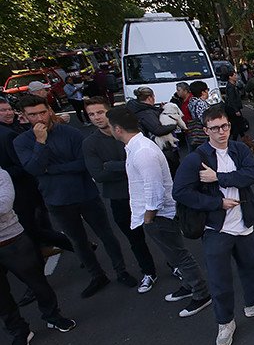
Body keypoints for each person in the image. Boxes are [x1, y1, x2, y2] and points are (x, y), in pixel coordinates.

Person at [173, 105, 254, 345]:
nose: (221, 132)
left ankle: (253, 304)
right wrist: (217, 203)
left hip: (244, 222)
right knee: (220, 278)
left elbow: (252, 174)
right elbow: (180, 192)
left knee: (251, 267)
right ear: (205, 130)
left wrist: (219, 178)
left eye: (225, 126)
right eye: (215, 128)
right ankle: (225, 322)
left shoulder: (239, 149)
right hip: (216, 229)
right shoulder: (196, 159)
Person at [13, 95, 136, 297]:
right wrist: (40, 143)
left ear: (50, 110)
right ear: (24, 117)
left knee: (107, 235)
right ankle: (96, 275)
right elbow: (34, 169)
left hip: (85, 194)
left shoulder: (70, 133)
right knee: (78, 241)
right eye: (33, 115)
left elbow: (83, 165)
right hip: (56, 200)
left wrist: (50, 169)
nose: (39, 118)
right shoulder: (22, 141)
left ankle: (121, 270)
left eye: (42, 112)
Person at [106, 107, 212, 315]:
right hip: (156, 214)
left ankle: (201, 293)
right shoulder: (136, 146)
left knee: (179, 254)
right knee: (173, 255)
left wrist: (148, 218)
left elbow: (153, 188)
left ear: (117, 129)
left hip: (160, 214)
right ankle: (190, 286)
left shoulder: (143, 152)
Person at [82, 97, 158, 292]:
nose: (96, 117)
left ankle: (176, 266)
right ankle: (148, 271)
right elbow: (98, 174)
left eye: (100, 112)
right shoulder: (90, 143)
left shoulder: (132, 135)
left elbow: (147, 164)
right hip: (119, 198)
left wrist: (113, 166)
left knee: (161, 233)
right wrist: (131, 166)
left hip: (144, 193)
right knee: (135, 239)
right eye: (91, 114)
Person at [0, 167, 76, 345]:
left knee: (37, 283)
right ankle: (19, 331)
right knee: (1, 298)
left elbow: (4, 205)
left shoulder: (1, 174)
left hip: (13, 242)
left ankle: (53, 316)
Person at [126, 87, 180, 176]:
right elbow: (157, 130)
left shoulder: (139, 108)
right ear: (150, 98)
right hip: (161, 148)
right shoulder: (146, 113)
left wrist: (161, 110)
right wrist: (174, 125)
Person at [223, 70, 247, 141]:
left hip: (233, 108)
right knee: (236, 124)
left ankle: (243, 138)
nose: (236, 77)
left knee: (238, 124)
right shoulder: (231, 87)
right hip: (233, 109)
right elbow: (231, 99)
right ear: (230, 77)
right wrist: (236, 110)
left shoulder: (233, 85)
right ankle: (234, 140)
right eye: (234, 75)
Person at [187, 81, 211, 150]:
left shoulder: (192, 101)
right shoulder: (201, 103)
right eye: (207, 90)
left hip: (194, 130)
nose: (208, 92)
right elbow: (203, 118)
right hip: (202, 132)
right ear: (203, 92)